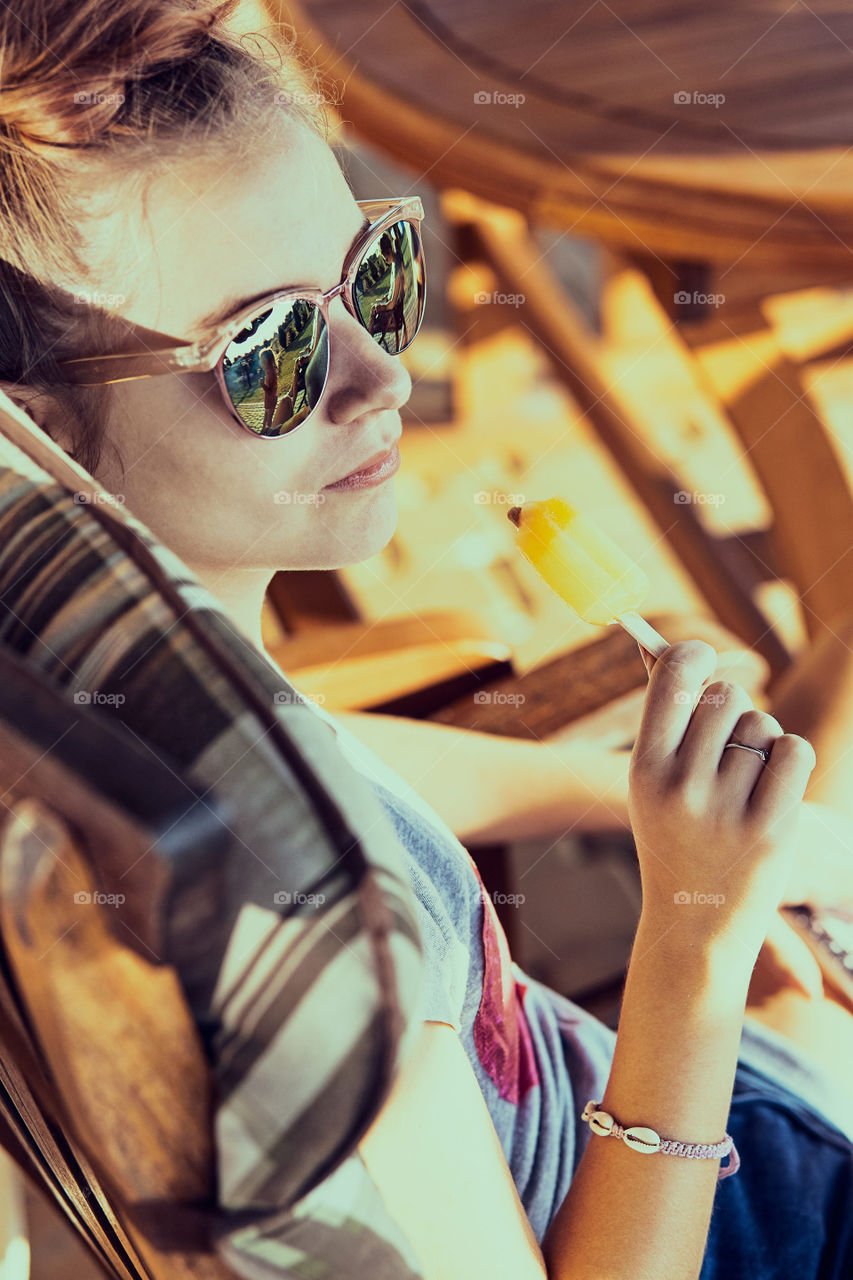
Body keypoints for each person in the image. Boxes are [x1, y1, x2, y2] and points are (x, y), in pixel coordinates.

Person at [0, 3, 852, 1277]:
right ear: (47, 434)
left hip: (667, 1090)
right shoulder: (310, 974)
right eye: (271, 351)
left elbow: (327, 759)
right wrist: (693, 941)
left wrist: (608, 800)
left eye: (373, 276)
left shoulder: (124, 696)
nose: (382, 374)